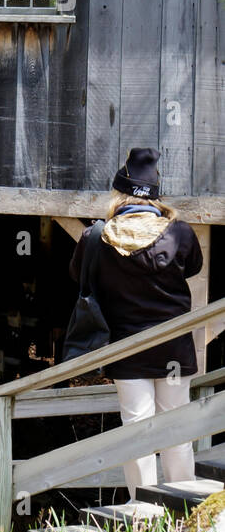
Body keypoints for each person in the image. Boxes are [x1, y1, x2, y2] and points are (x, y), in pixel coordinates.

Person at [67, 148, 204, 502]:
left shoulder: (97, 237)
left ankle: (142, 509)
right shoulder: (181, 234)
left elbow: (77, 275)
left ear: (118, 194)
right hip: (175, 346)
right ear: (156, 195)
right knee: (177, 427)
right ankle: (183, 506)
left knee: (136, 429)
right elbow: (193, 269)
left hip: (127, 347)